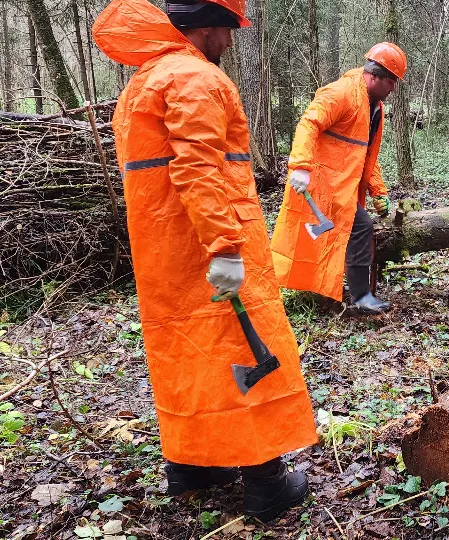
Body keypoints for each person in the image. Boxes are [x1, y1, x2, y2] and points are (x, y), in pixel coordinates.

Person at [93, 0, 317, 521]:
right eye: (231, 28)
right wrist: (223, 246)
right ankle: (266, 483)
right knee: (242, 351)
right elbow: (198, 169)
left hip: (164, 253)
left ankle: (193, 466)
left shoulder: (144, 83)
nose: (233, 40)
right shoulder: (195, 79)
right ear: (211, 24)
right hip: (210, 245)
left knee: (186, 355)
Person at [270, 44, 405, 314]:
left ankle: (344, 291)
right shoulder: (341, 93)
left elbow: (366, 154)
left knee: (350, 230)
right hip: (322, 183)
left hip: (343, 185)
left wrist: (378, 191)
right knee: (361, 227)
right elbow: (309, 123)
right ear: (375, 76)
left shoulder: (374, 107)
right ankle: (360, 297)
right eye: (391, 82)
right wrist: (300, 166)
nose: (393, 89)